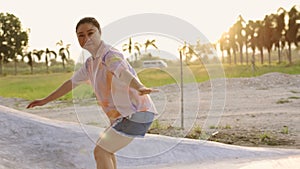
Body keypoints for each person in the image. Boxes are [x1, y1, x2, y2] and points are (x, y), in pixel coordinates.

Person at [27, 17, 158, 169]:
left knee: (101, 152)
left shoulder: (109, 55)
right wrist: (45, 100)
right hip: (125, 116)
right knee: (107, 152)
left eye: (90, 33)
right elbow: (70, 83)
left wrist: (139, 86)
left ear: (100, 33)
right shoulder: (90, 63)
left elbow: (122, 72)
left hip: (136, 112)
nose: (86, 38)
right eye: (81, 35)